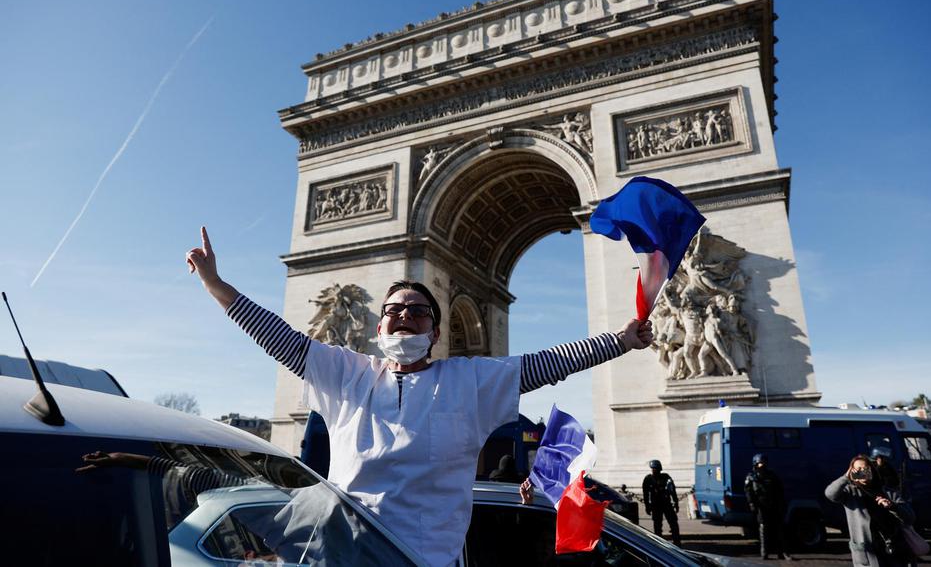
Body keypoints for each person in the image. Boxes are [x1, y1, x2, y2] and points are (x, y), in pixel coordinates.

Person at [186, 227, 653, 566]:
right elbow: (280, 338)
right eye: (394, 310)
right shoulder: (346, 373)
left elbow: (544, 364)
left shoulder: (469, 380)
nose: (405, 316)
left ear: (435, 333)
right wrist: (214, 286)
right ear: (378, 325)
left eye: (419, 312)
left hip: (422, 559)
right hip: (344, 554)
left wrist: (620, 340)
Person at [825, 455, 915, 567]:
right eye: (857, 470)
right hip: (867, 554)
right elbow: (830, 494)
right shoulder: (850, 493)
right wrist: (845, 477)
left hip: (896, 551)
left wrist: (892, 507)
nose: (861, 472)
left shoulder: (887, 491)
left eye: (865, 469)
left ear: (872, 470)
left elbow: (910, 517)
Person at [744, 453, 792, 560]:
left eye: (764, 463)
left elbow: (779, 490)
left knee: (779, 530)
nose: (762, 466)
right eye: (760, 463)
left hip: (774, 505)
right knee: (763, 529)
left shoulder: (772, 475)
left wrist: (781, 504)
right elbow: (748, 492)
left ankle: (783, 553)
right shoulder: (751, 477)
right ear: (755, 464)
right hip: (761, 507)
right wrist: (752, 504)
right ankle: (764, 553)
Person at [642, 459, 681, 546]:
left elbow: (672, 491)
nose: (653, 470)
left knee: (673, 523)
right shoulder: (648, 479)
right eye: (652, 469)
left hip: (666, 504)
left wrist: (676, 502)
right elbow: (645, 494)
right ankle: (659, 544)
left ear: (659, 469)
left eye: (655, 469)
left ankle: (677, 542)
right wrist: (647, 506)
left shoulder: (666, 477)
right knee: (657, 526)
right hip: (656, 505)